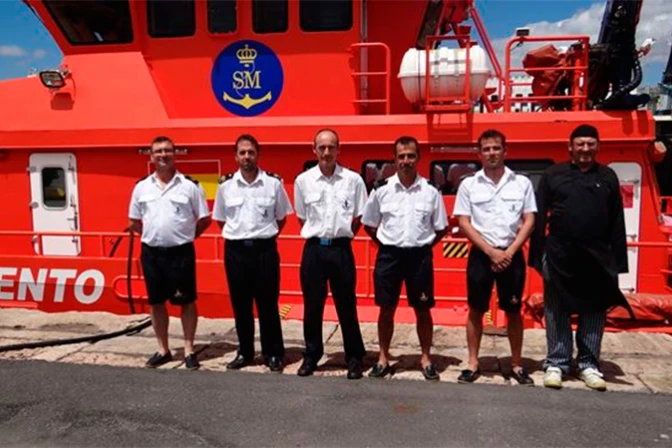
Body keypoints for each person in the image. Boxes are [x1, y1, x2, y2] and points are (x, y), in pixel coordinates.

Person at [529, 124, 634, 391]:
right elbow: (539, 218)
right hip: (559, 255)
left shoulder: (608, 176)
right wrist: (537, 257)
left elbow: (616, 222)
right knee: (555, 309)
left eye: (590, 143)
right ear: (570, 147)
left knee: (594, 310)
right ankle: (558, 362)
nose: (585, 149)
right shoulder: (554, 174)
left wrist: (618, 263)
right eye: (580, 144)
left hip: (597, 256)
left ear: (597, 146)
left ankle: (588, 363)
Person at [452, 129, 537, 385]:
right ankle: (473, 363)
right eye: (486, 149)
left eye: (496, 148)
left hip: (512, 255)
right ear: (479, 154)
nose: (492, 153)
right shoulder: (469, 184)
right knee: (476, 310)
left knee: (513, 310)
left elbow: (530, 218)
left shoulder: (521, 183)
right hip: (481, 255)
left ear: (505, 151)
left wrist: (509, 252)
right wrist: (490, 252)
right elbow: (464, 222)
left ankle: (516, 363)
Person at [361, 136, 448, 381]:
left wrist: (423, 245)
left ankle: (426, 358)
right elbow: (369, 224)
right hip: (389, 255)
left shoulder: (431, 191)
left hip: (419, 256)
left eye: (410, 156)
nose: (406, 161)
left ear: (418, 158)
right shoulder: (381, 190)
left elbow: (440, 227)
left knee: (423, 309)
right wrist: (386, 244)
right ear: (394, 159)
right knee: (386, 308)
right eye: (401, 156)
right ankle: (383, 357)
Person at [128, 136, 211, 370]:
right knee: (156, 302)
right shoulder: (141, 187)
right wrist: (156, 235)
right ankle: (163, 349)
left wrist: (185, 236)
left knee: (186, 301)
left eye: (167, 150)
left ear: (175, 154)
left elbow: (204, 219)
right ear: (151, 156)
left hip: (181, 253)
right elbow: (134, 221)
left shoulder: (190, 186)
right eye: (158, 151)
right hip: (152, 253)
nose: (163, 155)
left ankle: (188, 349)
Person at [213, 134, 293, 372]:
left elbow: (281, 218)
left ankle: (274, 353)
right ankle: (245, 352)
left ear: (258, 154)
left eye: (251, 152)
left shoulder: (273, 183)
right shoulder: (225, 186)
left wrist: (262, 236)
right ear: (236, 156)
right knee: (241, 305)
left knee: (268, 304)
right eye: (242, 152)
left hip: (264, 251)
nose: (247, 156)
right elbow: (221, 219)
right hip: (236, 251)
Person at [293, 128, 368, 380]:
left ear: (339, 149)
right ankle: (312, 354)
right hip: (314, 249)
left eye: (331, 147)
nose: (326, 152)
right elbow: (302, 216)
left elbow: (358, 217)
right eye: (322, 147)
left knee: (346, 304)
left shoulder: (353, 180)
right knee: (312, 305)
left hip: (341, 249)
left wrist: (342, 235)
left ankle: (355, 356)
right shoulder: (303, 181)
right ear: (313, 149)